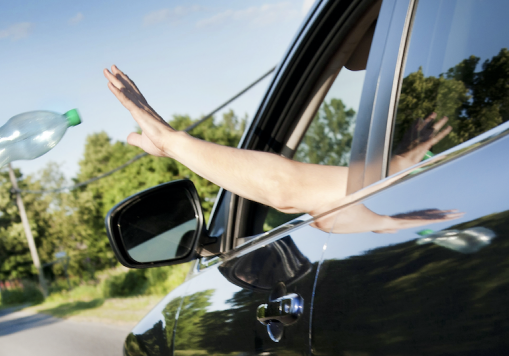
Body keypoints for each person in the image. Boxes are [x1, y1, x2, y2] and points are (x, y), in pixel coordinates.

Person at [103, 65, 457, 234]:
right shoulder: (419, 195)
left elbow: (284, 189)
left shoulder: (418, 199)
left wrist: (172, 142)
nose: (356, 65)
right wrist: (403, 160)